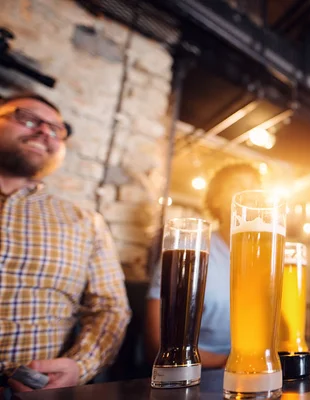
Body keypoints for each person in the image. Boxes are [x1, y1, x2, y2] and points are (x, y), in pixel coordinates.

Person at [0, 93, 131, 395]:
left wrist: (79, 366)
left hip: (34, 391)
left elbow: (111, 309)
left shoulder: (85, 222)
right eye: (27, 119)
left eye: (56, 129)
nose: (44, 132)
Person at [145, 164, 262, 368]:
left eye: (254, 188)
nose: (249, 195)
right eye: (238, 186)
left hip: (248, 372)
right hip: (194, 371)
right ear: (216, 199)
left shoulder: (264, 260)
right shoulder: (189, 251)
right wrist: (228, 362)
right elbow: (158, 343)